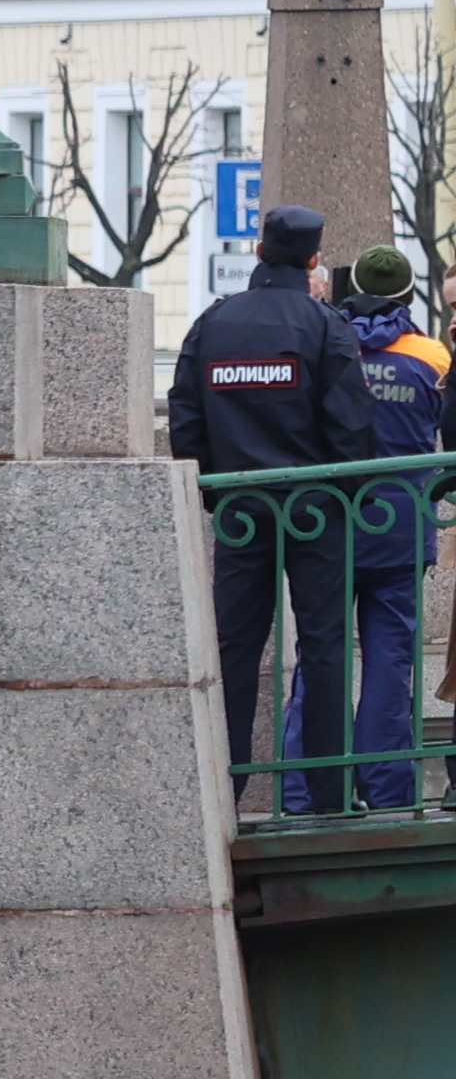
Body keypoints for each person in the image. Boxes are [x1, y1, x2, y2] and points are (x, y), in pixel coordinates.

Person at [169, 203, 379, 814]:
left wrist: (216, 493)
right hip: (317, 510)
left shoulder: (214, 324)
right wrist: (345, 495)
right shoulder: (325, 326)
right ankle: (330, 793)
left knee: (234, 648)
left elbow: (187, 418)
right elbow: (352, 426)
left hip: (241, 507)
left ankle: (223, 789)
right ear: (314, 259)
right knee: (326, 645)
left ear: (258, 252)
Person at [279, 243, 450, 811]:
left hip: (330, 524)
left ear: (354, 291)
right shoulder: (433, 356)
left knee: (320, 655)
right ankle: (390, 794)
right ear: (407, 294)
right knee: (390, 662)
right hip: (401, 526)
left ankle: (305, 791)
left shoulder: (331, 344)